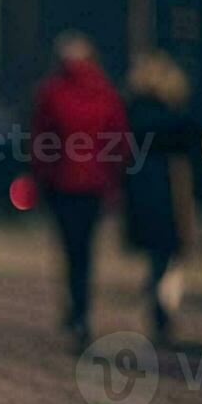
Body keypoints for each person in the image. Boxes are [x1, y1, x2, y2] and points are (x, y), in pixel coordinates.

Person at [30, 32, 128, 348]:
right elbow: (119, 142)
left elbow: (40, 142)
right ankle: (81, 312)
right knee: (86, 250)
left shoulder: (51, 92)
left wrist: (40, 178)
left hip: (61, 184)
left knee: (70, 249)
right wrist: (113, 181)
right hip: (95, 185)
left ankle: (76, 310)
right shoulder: (105, 92)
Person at [122, 51, 196, 346]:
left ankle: (156, 303)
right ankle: (159, 307)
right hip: (169, 187)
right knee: (168, 253)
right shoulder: (173, 112)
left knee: (158, 254)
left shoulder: (132, 110)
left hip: (141, 188)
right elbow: (190, 140)